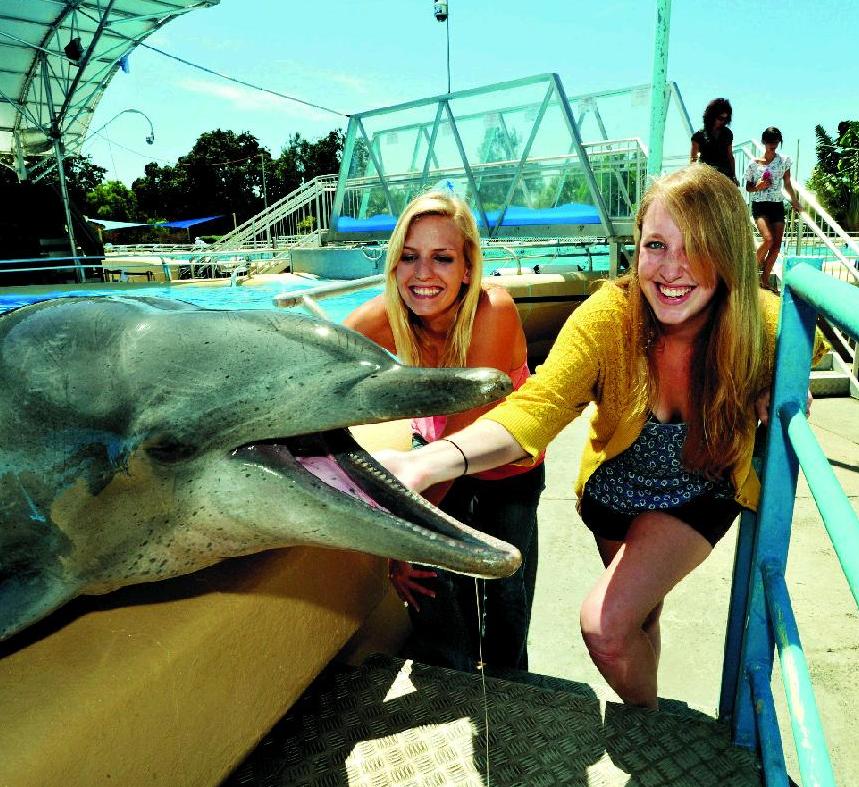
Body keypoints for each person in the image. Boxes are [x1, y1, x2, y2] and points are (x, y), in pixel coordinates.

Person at [372, 165, 819, 708]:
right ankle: (651, 722)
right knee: (638, 620)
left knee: (605, 628)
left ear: (725, 253)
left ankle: (648, 720)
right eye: (656, 245)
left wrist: (781, 384)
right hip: (615, 496)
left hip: (699, 489)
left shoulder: (760, 321)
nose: (671, 269)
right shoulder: (609, 317)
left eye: (694, 247)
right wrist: (425, 463)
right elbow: (539, 407)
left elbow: (809, 347)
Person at [344, 190, 546, 673]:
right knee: (439, 614)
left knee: (506, 611)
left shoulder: (493, 309)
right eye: (409, 257)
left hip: (502, 473)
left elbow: (461, 435)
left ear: (468, 267)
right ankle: (449, 682)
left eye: (442, 258)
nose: (423, 274)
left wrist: (404, 537)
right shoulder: (390, 313)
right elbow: (315, 361)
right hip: (431, 460)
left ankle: (509, 700)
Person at [745, 126, 801, 291]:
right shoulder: (753, 164)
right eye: (770, 141)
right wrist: (758, 186)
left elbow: (788, 183)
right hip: (760, 205)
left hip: (777, 205)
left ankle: (764, 280)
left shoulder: (784, 161)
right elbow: (748, 187)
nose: (773, 144)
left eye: (776, 141)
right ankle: (749, 274)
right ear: (763, 141)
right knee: (768, 239)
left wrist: (794, 200)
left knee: (776, 247)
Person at [690, 98, 738, 183]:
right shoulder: (698, 136)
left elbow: (730, 157)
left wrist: (734, 177)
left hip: (725, 177)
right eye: (720, 118)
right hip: (707, 179)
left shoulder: (727, 133)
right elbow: (693, 161)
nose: (723, 122)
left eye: (725, 119)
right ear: (711, 116)